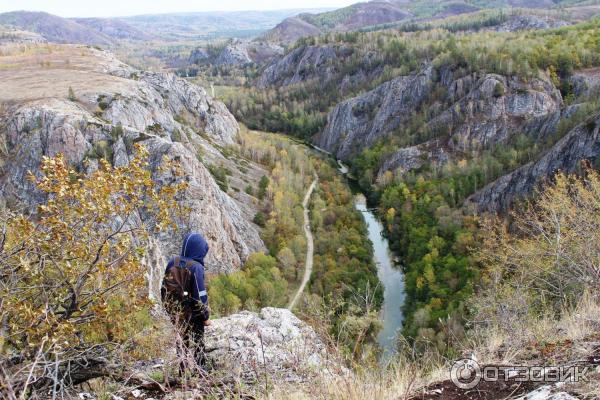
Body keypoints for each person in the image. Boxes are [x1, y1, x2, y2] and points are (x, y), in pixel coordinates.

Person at [162, 232, 211, 369]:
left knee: (181, 340)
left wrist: (169, 310)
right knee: (198, 339)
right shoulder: (196, 267)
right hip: (192, 312)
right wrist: (205, 317)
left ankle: (182, 369)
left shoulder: (173, 261)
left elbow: (165, 287)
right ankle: (200, 369)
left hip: (175, 310)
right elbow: (200, 296)